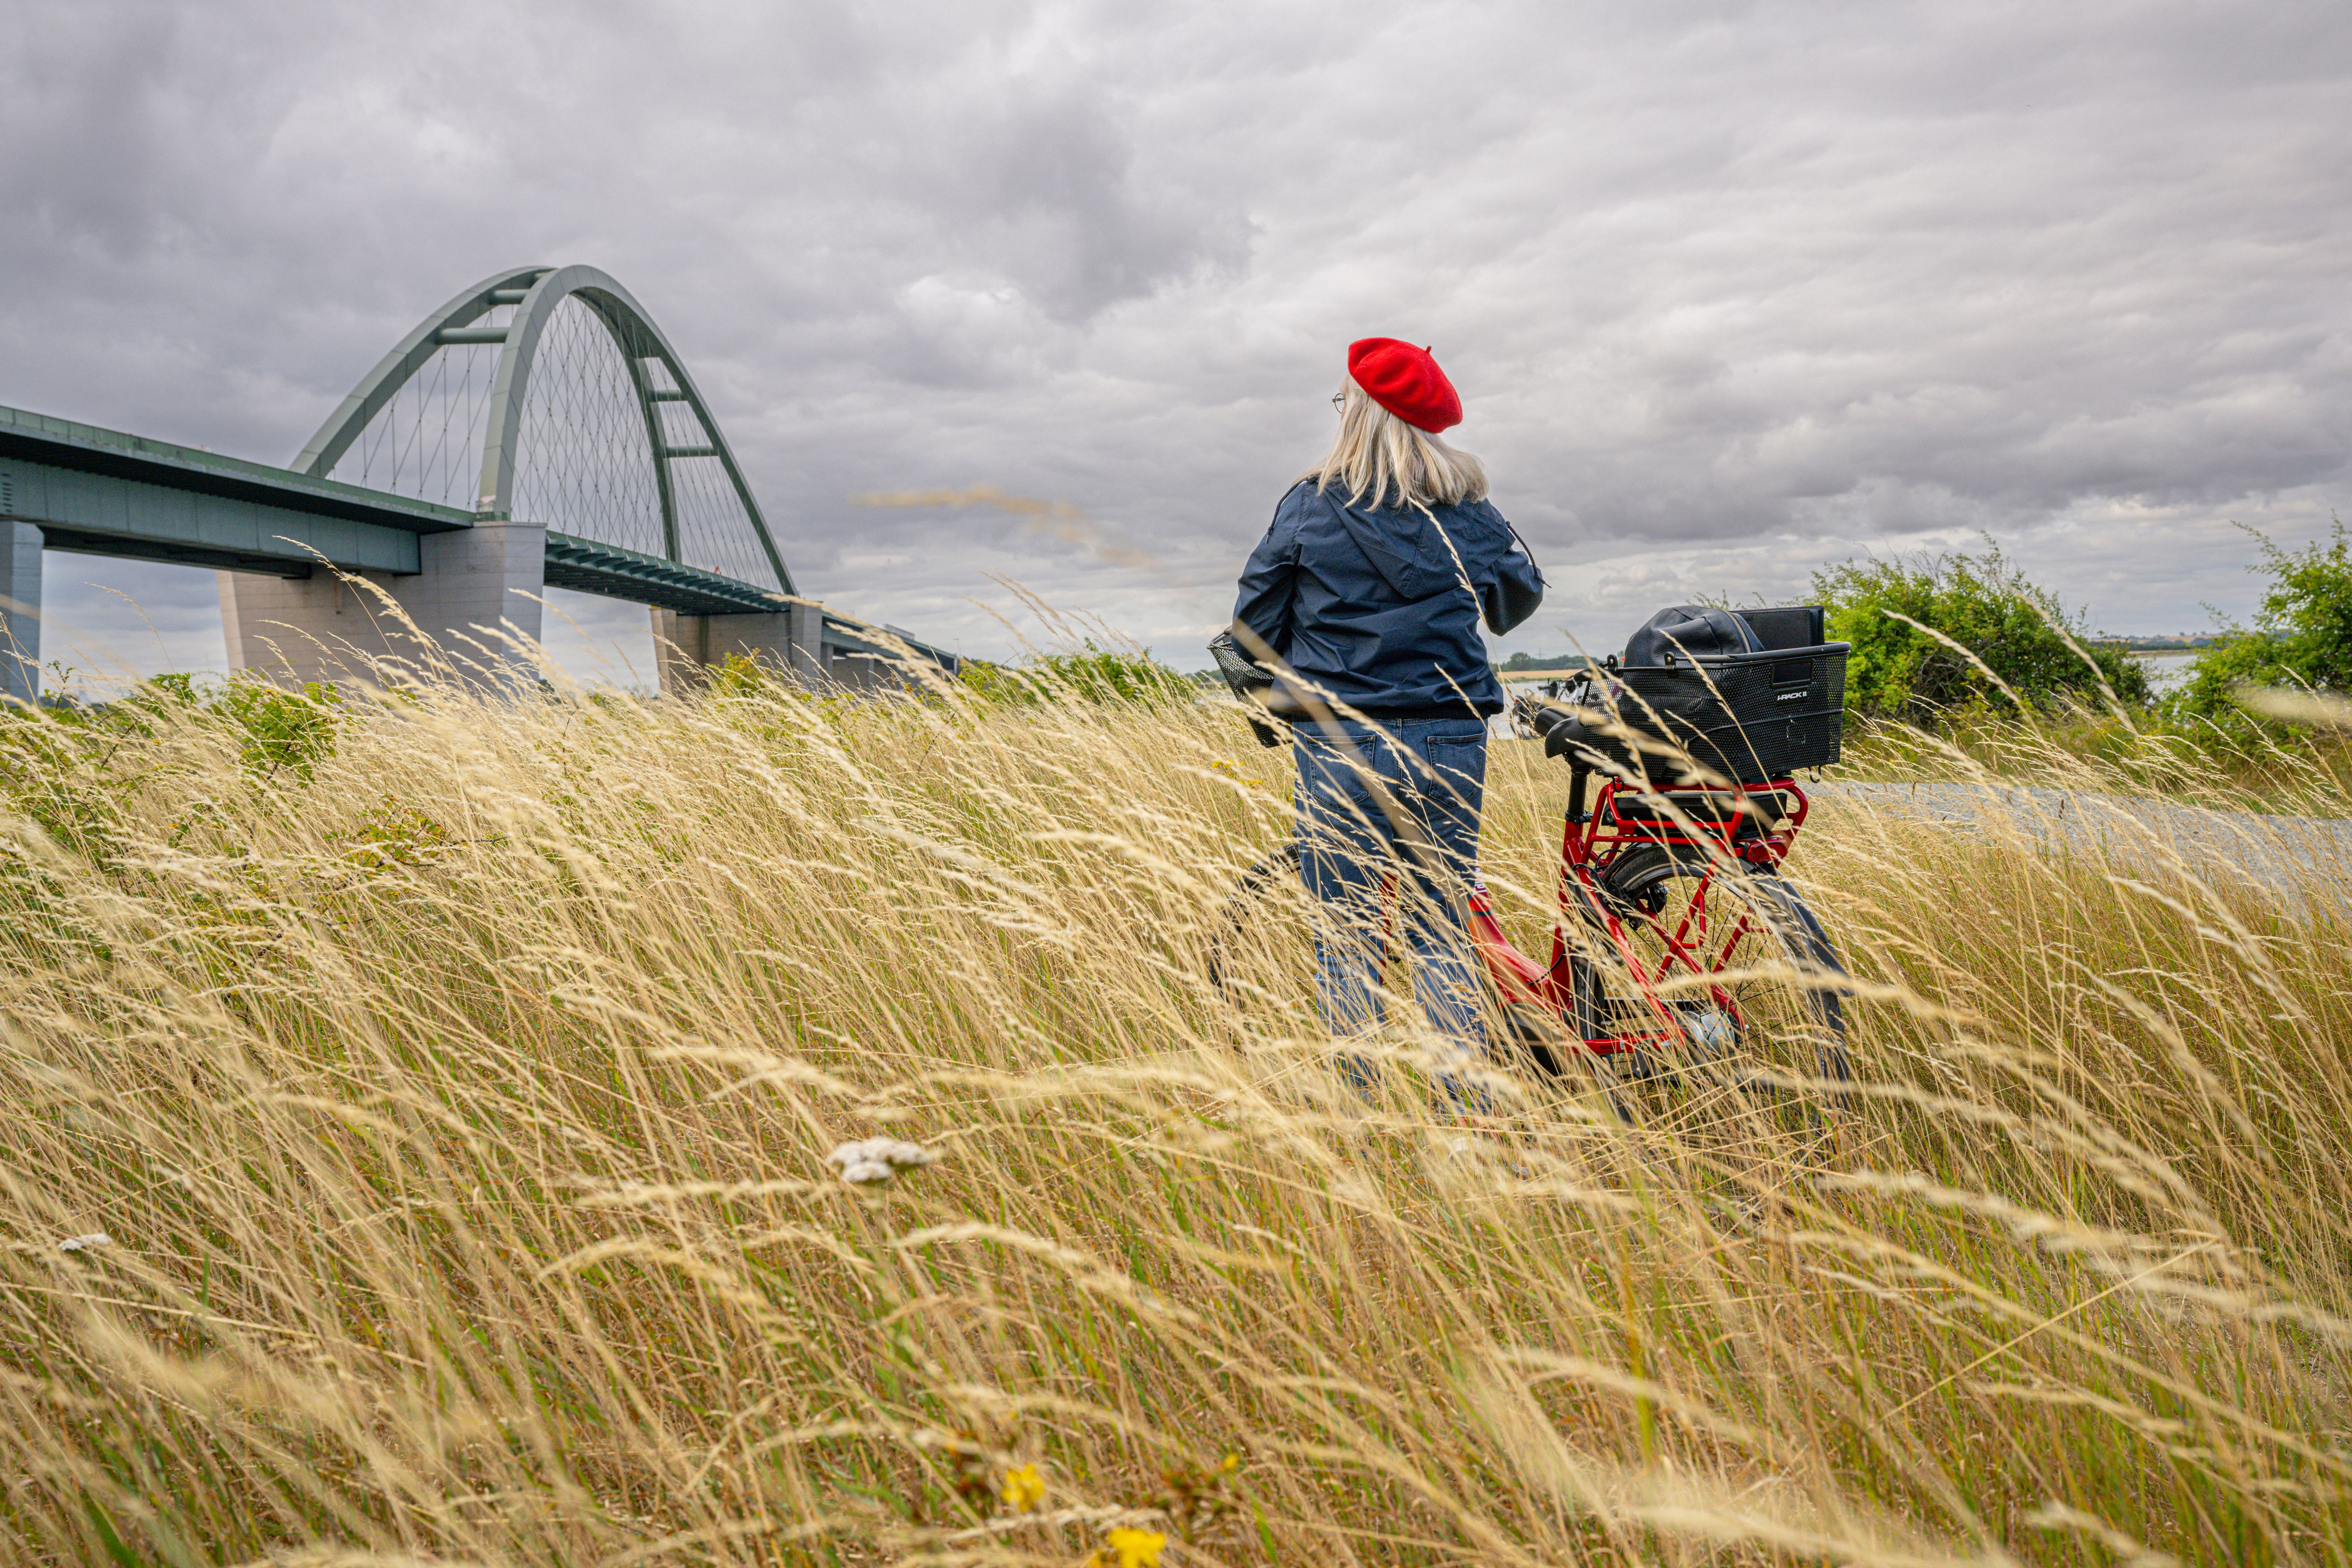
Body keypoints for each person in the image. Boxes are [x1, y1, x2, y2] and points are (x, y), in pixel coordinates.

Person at [1229, 338, 1543, 1095]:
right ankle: (1464, 1116)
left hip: (1339, 740)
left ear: (1357, 416)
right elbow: (1518, 600)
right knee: (1442, 932)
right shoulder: (1467, 506)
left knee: (1345, 937)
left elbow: (1251, 629)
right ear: (1424, 425)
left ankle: (1361, 1120)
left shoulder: (1309, 504)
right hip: (1450, 733)